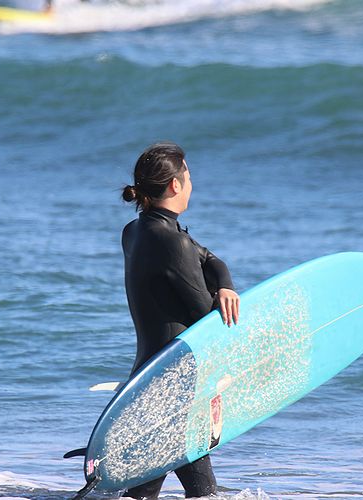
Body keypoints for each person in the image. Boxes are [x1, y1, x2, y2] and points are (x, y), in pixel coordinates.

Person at [120, 142, 240, 499]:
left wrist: (225, 285)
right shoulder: (173, 243)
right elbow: (205, 316)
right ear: (175, 185)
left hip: (151, 375)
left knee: (190, 491)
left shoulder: (135, 231)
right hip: (176, 384)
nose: (191, 184)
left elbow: (210, 259)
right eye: (188, 177)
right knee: (193, 492)